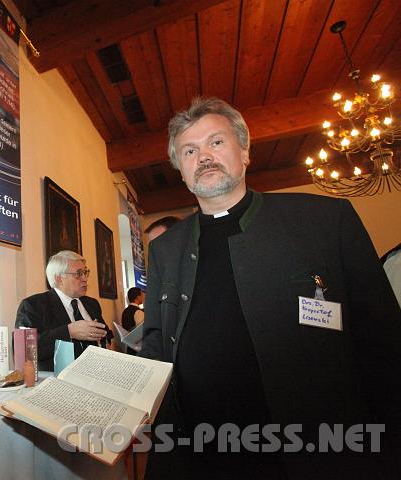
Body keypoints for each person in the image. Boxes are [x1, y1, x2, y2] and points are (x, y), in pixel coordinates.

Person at [139, 97, 401, 479]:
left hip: (313, 446)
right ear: (181, 170)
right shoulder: (165, 248)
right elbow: (157, 341)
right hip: (201, 450)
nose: (204, 156)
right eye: (189, 150)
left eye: (216, 142)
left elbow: (383, 342)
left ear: (245, 151)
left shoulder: (326, 221)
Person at [15, 250, 113, 371]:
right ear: (59, 278)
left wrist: (105, 341)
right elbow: (25, 351)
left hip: (98, 374)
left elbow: (106, 334)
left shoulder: (92, 304)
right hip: (59, 380)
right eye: (78, 273)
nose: (84, 279)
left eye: (85, 272)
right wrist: (69, 332)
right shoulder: (33, 305)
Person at [120, 287, 144, 356]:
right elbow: (141, 332)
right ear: (137, 297)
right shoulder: (138, 312)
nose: (143, 297)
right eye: (141, 295)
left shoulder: (125, 311)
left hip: (128, 346)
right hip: (137, 348)